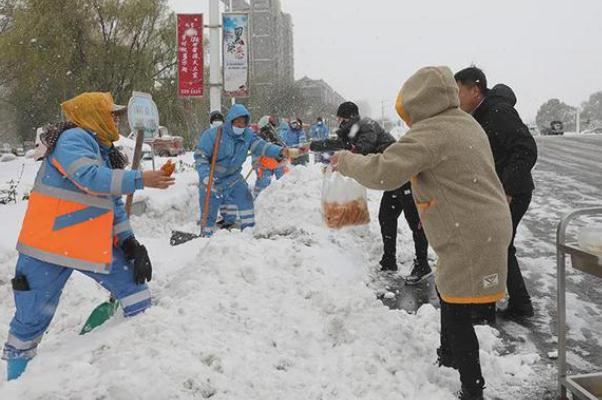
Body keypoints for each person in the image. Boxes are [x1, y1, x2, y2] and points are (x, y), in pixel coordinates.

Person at [331, 66, 513, 400]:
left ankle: (472, 388)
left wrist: (344, 161)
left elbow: (383, 172)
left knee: (457, 307)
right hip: (485, 221)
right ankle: (447, 356)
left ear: (419, 101)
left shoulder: (432, 132)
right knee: (450, 289)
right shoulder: (464, 122)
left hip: (469, 228)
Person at [2, 92, 174, 381]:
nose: (115, 120)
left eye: (117, 115)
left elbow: (112, 202)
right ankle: (17, 386)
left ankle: (138, 367)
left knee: (136, 294)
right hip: (48, 246)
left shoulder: (103, 149)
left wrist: (130, 243)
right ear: (92, 115)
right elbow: (91, 179)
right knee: (30, 321)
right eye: (111, 114)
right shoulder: (74, 140)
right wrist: (141, 179)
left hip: (85, 244)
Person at [311, 101, 431, 283]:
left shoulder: (366, 125)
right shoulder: (353, 131)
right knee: (386, 217)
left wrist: (343, 160)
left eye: (340, 118)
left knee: (415, 220)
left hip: (404, 175)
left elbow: (362, 148)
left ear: (349, 117)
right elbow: (339, 144)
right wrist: (313, 146)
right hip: (393, 179)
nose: (339, 122)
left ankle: (423, 264)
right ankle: (389, 260)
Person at [455, 66, 537, 321]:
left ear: (475, 90)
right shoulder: (481, 114)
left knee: (492, 247)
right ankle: (518, 305)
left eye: (458, 91)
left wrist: (507, 189)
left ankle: (485, 309)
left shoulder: (498, 112)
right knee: (500, 247)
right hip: (498, 193)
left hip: (511, 193)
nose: (455, 99)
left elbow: (526, 148)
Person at [194, 104, 294, 236]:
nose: (240, 126)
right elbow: (200, 157)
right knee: (209, 212)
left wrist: (281, 151)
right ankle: (205, 236)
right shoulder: (213, 135)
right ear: (230, 120)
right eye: (238, 122)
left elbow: (262, 146)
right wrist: (205, 176)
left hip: (233, 178)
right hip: (213, 178)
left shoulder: (247, 135)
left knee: (246, 200)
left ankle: (249, 232)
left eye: (243, 123)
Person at [202, 111, 237, 229]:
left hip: (221, 169)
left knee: (220, 195)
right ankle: (227, 219)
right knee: (223, 195)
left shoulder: (211, 134)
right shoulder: (224, 134)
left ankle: (223, 220)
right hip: (220, 170)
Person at [253, 115, 288, 197]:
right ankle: (259, 201)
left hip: (273, 163)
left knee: (285, 183)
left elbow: (281, 145)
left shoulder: (274, 133)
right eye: (271, 123)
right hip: (268, 163)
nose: (272, 126)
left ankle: (259, 200)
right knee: (284, 183)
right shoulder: (263, 135)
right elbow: (256, 150)